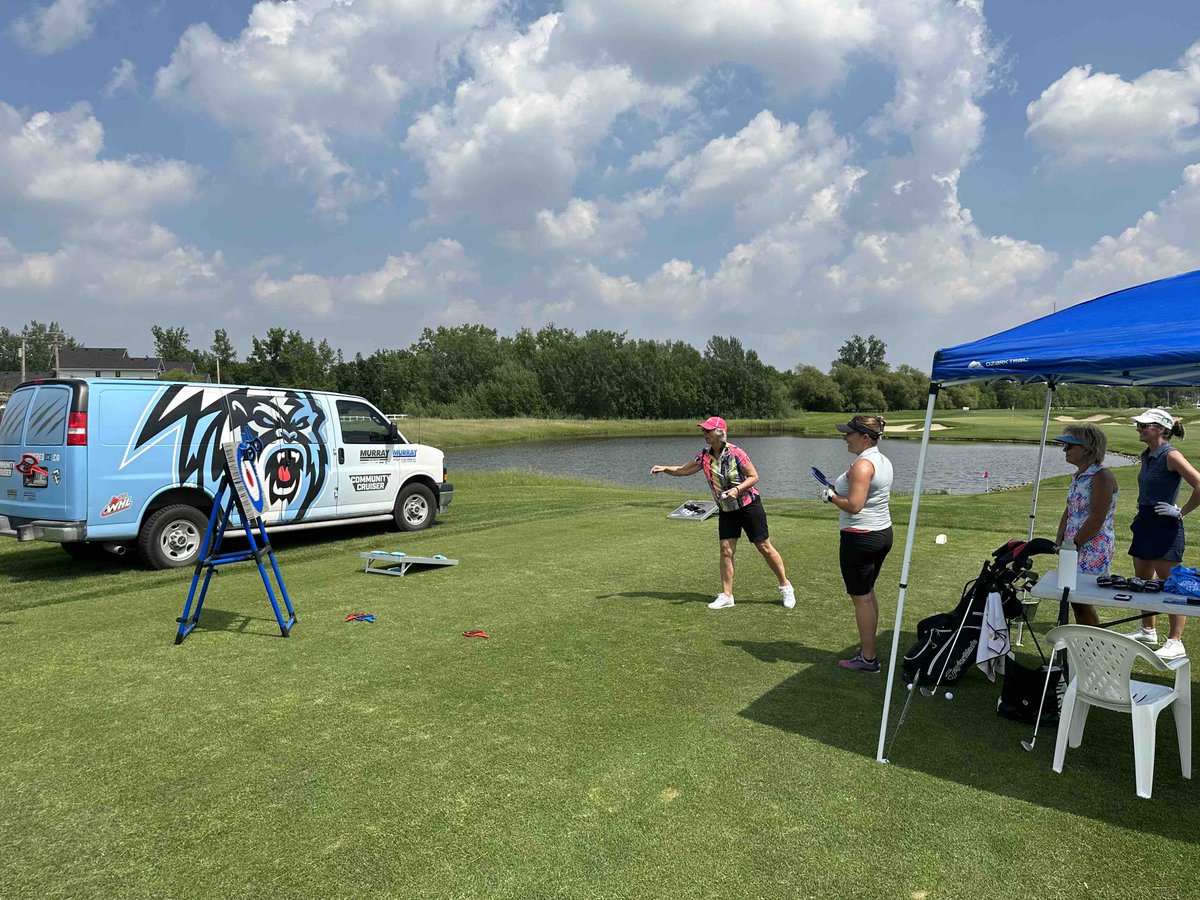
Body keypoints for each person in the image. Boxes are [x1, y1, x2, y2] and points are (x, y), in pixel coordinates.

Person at [650, 416, 794, 610]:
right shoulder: (704, 455)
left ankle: (785, 585)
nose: (704, 434)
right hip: (726, 509)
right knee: (726, 550)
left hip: (748, 506)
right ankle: (727, 595)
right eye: (703, 431)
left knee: (763, 546)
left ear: (719, 432)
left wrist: (736, 490)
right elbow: (683, 471)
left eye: (707, 431)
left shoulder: (736, 453)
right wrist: (665, 468)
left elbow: (754, 477)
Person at [1127, 408, 1200, 660]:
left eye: (1145, 425)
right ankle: (1147, 630)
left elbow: (1199, 483)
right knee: (1143, 580)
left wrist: (1181, 512)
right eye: (1139, 425)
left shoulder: (1172, 455)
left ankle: (1175, 640)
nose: (1140, 428)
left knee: (1172, 585)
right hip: (1145, 521)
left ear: (1161, 429)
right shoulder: (1147, 454)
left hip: (1165, 524)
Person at [822, 415, 893, 672]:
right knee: (867, 593)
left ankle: (869, 658)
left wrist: (830, 497)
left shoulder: (863, 465)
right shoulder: (881, 460)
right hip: (881, 533)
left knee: (861, 598)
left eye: (849, 434)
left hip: (861, 536)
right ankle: (867, 647)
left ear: (865, 437)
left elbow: (854, 505)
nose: (844, 437)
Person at [1052, 424, 1119, 627]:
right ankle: (1085, 642)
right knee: (1074, 599)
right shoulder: (1078, 475)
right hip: (1073, 545)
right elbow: (1070, 509)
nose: (1065, 450)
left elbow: (1097, 518)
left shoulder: (1102, 477)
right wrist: (1060, 538)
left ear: (1088, 448)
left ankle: (1092, 644)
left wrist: (1073, 544)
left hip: (1092, 546)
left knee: (1081, 599)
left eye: (1070, 446)